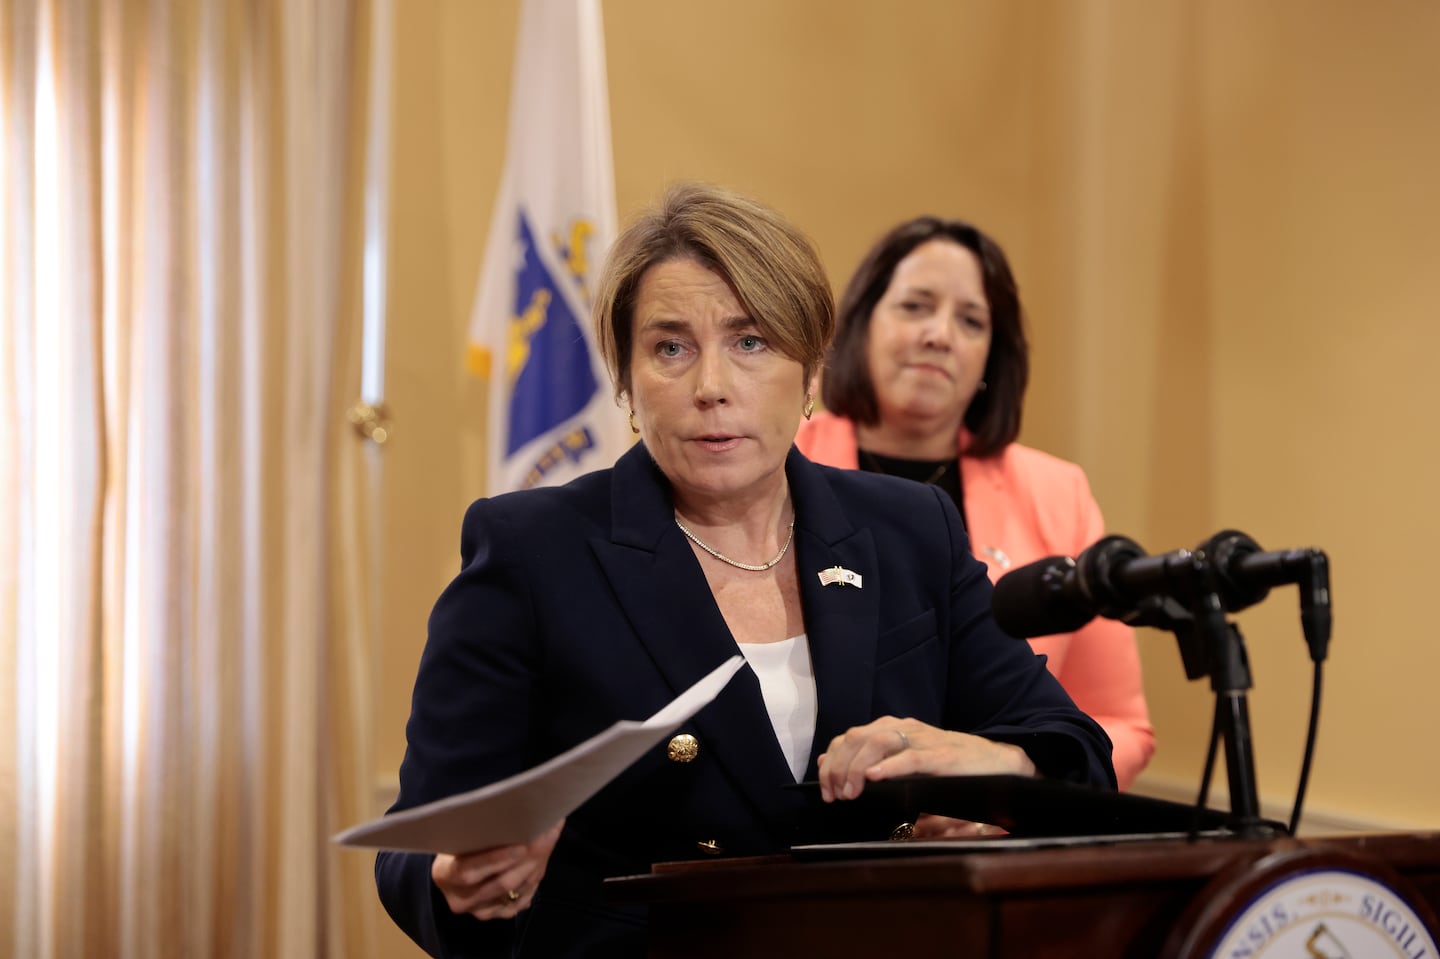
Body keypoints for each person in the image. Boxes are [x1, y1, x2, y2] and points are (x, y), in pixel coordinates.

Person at [375, 184, 1115, 958]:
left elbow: (1075, 747)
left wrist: (1001, 767)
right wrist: (454, 878)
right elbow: (417, 846)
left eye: (751, 341)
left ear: (813, 370)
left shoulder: (908, 530)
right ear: (626, 382)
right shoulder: (532, 547)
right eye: (670, 347)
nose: (711, 386)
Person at [794, 216, 1155, 790]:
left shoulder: (1058, 493)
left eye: (971, 320)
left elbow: (1118, 723)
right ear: (861, 328)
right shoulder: (780, 461)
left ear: (991, 358)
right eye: (915, 306)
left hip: (1002, 846)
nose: (940, 335)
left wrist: (1013, 799)